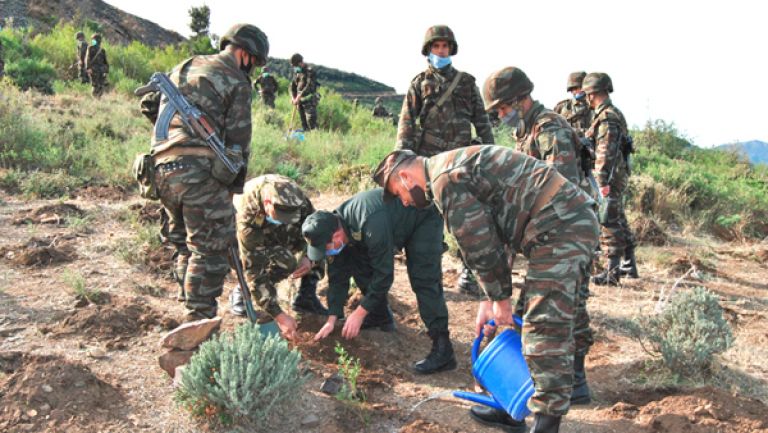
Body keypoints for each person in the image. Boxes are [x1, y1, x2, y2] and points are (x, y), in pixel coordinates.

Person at [373, 147, 599, 433]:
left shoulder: (445, 181)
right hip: (565, 219)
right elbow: (494, 234)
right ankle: (520, 402)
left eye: (397, 192)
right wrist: (488, 298)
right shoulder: (449, 168)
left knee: (543, 325)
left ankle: (546, 423)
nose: (404, 202)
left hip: (561, 225)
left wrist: (499, 299)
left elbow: (479, 246)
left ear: (405, 176)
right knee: (541, 313)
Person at [483, 66, 596, 411]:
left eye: (503, 108)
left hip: (567, 230)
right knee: (570, 305)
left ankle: (557, 385)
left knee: (553, 307)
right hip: (549, 232)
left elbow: (562, 190)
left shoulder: (549, 130)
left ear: (520, 99)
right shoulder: (526, 131)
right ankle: (575, 383)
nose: (501, 116)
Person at [140, 23, 268, 321]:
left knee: (185, 246)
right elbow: (239, 140)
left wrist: (177, 136)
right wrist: (232, 186)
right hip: (200, 173)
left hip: (161, 169)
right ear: (246, 54)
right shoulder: (236, 80)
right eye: (255, 63)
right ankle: (198, 321)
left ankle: (189, 310)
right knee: (209, 250)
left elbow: (150, 105)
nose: (253, 69)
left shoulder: (184, 66)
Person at [298, 189, 456, 374]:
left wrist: (359, 312)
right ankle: (379, 316)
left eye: (326, 248)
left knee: (423, 279)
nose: (326, 253)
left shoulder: (370, 222)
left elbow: (384, 275)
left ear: (337, 236)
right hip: (387, 226)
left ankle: (443, 348)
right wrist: (332, 318)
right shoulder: (332, 226)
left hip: (421, 218)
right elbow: (337, 276)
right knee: (359, 263)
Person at [396, 24, 495, 296]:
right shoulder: (419, 83)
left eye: (445, 46)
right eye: (436, 47)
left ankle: (468, 272)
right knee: (429, 217)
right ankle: (430, 270)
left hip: (462, 161)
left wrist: (490, 153)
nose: (441, 51)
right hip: (429, 161)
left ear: (451, 49)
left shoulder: (466, 82)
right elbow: (406, 122)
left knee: (468, 218)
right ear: (428, 50)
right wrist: (403, 159)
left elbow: (482, 121)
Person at [228, 174, 327, 339]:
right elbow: (254, 269)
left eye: (288, 218)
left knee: (324, 243)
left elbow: (315, 231)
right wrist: (279, 316)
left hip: (282, 235)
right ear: (267, 204)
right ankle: (242, 290)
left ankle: (306, 296)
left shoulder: (298, 201)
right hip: (250, 238)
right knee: (281, 264)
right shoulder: (247, 215)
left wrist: (309, 257)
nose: (284, 221)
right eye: (279, 217)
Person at [582, 72, 638, 285]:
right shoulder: (612, 113)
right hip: (616, 175)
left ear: (592, 94)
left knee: (608, 221)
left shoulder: (606, 117)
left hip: (609, 177)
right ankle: (629, 264)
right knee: (618, 218)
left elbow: (605, 152)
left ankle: (612, 272)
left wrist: (602, 182)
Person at [290, 53, 318, 131]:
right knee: (304, 124)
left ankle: (315, 139)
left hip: (309, 101)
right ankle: (306, 140)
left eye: (295, 66)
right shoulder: (297, 72)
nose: (294, 68)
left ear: (300, 63)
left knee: (311, 122)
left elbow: (309, 86)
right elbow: (292, 86)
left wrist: (299, 96)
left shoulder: (310, 71)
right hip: (300, 102)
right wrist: (293, 97)